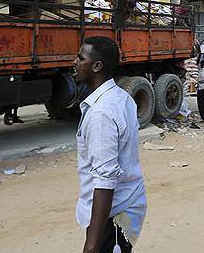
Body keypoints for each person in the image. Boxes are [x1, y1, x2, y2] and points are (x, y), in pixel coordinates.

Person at [73, 36, 146, 253]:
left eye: (80, 58)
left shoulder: (101, 113)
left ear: (97, 66)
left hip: (113, 215)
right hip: (123, 206)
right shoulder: (121, 97)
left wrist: (92, 245)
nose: (74, 62)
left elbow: (105, 179)